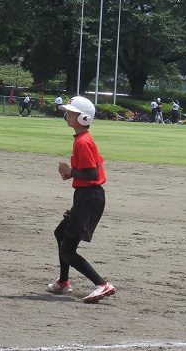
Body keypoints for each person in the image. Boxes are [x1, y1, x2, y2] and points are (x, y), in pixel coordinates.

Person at [46, 96, 116, 304]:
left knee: (68, 250)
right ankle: (63, 282)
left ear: (84, 117)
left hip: (89, 197)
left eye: (72, 113)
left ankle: (102, 284)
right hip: (86, 195)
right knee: (60, 233)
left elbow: (92, 174)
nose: (67, 115)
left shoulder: (83, 142)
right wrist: (72, 174)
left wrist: (71, 171)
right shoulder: (81, 139)